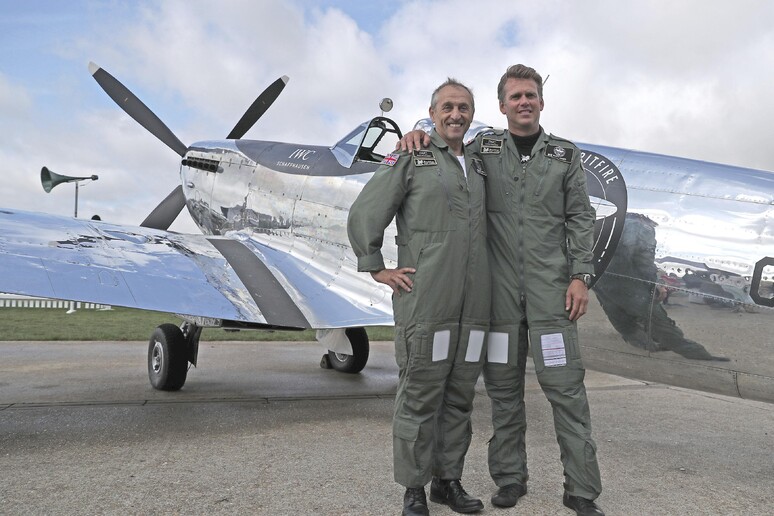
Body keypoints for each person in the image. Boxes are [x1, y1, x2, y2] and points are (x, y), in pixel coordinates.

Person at [400, 64, 604, 516]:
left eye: (530, 95)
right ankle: (510, 479)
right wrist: (414, 136)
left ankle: (582, 491)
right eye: (515, 97)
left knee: (567, 393)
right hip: (498, 302)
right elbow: (444, 139)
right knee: (504, 394)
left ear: (541, 102)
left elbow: (581, 217)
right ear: (502, 105)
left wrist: (580, 275)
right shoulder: (482, 151)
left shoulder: (565, 155)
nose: (524, 102)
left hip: (554, 299)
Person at [348, 79, 490, 516]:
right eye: (448, 106)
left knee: (460, 394)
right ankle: (413, 489)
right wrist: (376, 266)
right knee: (420, 394)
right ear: (431, 113)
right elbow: (366, 211)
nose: (456, 114)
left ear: (471, 114)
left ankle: (447, 482)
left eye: (464, 107)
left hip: (474, 304)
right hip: (426, 298)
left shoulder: (483, 164)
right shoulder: (411, 154)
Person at [593, 213, 730, 361]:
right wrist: (656, 284)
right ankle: (695, 352)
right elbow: (644, 261)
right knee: (655, 317)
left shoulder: (612, 223)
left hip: (598, 276)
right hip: (623, 281)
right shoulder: (643, 228)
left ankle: (645, 343)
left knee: (617, 313)